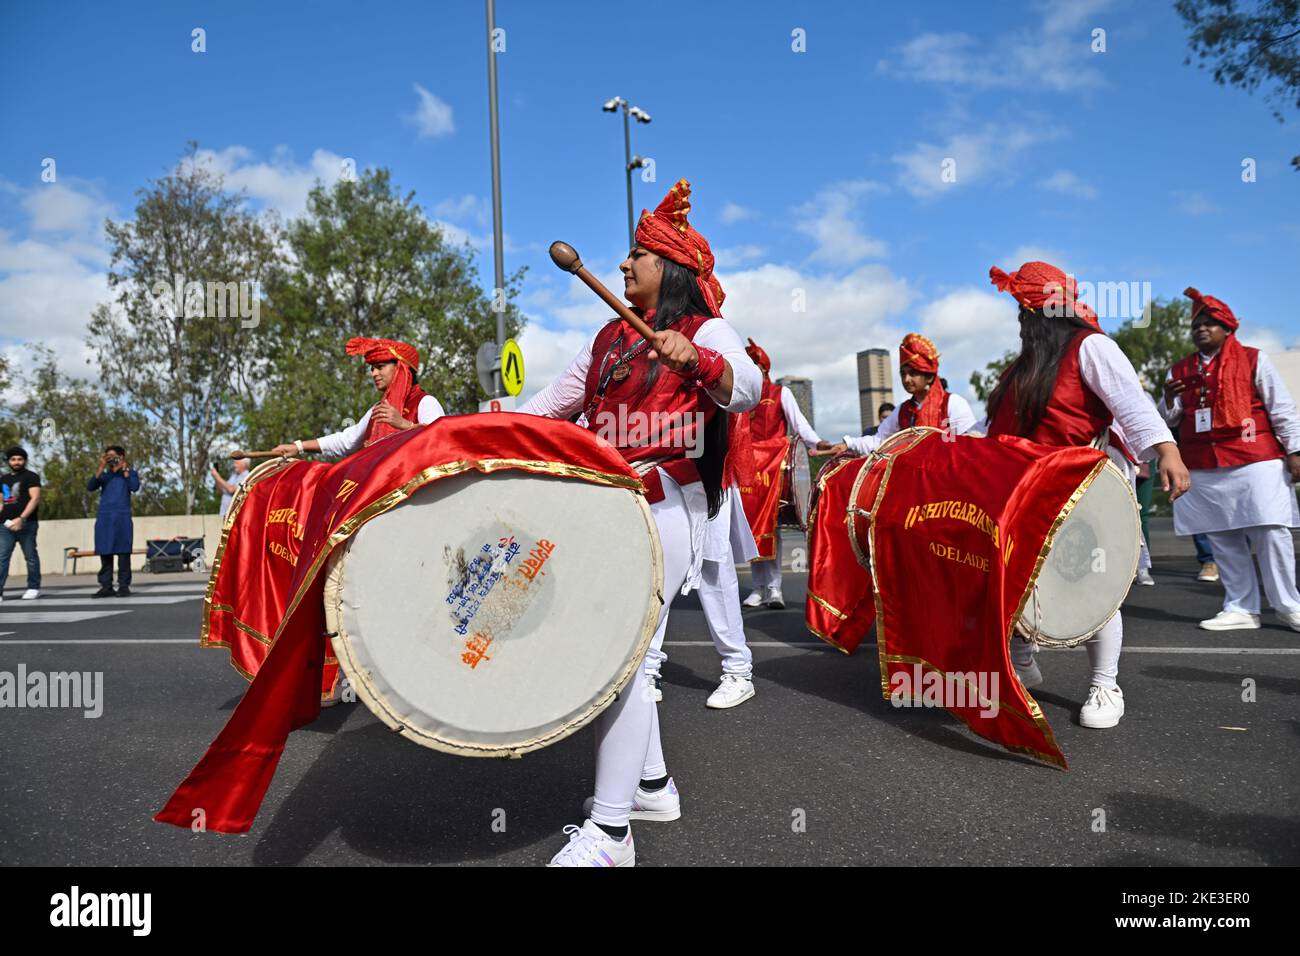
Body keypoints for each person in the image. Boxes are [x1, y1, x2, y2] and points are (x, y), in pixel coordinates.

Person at [519, 179, 761, 866]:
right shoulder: (607, 338)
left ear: (671, 268)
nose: (623, 266)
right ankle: (650, 785)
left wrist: (704, 361)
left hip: (665, 509)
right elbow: (544, 410)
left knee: (622, 664)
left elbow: (749, 388)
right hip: (609, 513)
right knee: (624, 659)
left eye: (636, 256)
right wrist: (465, 430)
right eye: (624, 257)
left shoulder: (703, 329)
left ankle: (612, 832)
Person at [981, 261, 1189, 728]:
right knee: (1015, 582)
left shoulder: (1092, 347)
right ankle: (1023, 661)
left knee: (1093, 588)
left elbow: (1131, 404)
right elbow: (991, 429)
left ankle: (1104, 683)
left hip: (1084, 490)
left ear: (1041, 313)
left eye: (1023, 310)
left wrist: (1167, 451)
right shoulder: (1021, 370)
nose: (1019, 320)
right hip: (1022, 494)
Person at [1157, 287, 1300, 632]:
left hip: (1256, 458)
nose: (1201, 329)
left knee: (1270, 530)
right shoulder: (1179, 370)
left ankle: (1289, 605)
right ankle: (1241, 607)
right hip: (1204, 462)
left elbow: (1281, 407)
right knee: (1221, 534)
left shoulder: (1254, 358)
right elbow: (1166, 420)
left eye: (1210, 323)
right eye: (1196, 325)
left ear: (1227, 328)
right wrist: (1166, 398)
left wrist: (1295, 451)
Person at [740, 337, 836, 610]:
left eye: (754, 365)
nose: (750, 370)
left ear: (764, 368)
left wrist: (816, 443)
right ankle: (759, 587)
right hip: (748, 467)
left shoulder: (781, 393)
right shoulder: (742, 397)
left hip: (773, 467)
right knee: (751, 530)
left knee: (771, 528)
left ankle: (774, 588)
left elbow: (799, 424)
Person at [271, 337, 445, 461]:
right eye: (372, 369)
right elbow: (347, 441)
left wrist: (404, 425)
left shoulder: (425, 402)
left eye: (380, 367)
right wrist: (298, 447)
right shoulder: (378, 409)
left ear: (401, 369)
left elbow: (443, 441)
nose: (374, 373)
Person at [840, 333, 976, 455]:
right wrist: (849, 443)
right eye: (903, 374)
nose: (906, 379)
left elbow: (972, 444)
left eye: (913, 373)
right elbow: (880, 441)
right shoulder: (902, 411)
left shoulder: (953, 403)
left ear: (928, 376)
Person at [87, 445, 140, 598]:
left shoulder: (130, 473)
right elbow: (90, 486)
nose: (110, 458)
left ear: (122, 457)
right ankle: (106, 586)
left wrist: (125, 470)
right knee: (105, 552)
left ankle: (123, 586)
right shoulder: (105, 475)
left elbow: (134, 487)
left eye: (113, 456)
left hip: (122, 517)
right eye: (107, 456)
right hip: (105, 517)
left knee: (123, 552)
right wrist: (101, 466)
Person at [0, 447, 42, 601]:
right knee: (2, 558)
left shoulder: (31, 476)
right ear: (8, 461)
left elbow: (35, 498)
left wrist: (21, 518)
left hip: (27, 524)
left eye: (20, 459)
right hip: (4, 525)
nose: (16, 462)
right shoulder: (3, 479)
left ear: (24, 460)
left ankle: (33, 587)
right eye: (13, 459)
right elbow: (1, 502)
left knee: (30, 556)